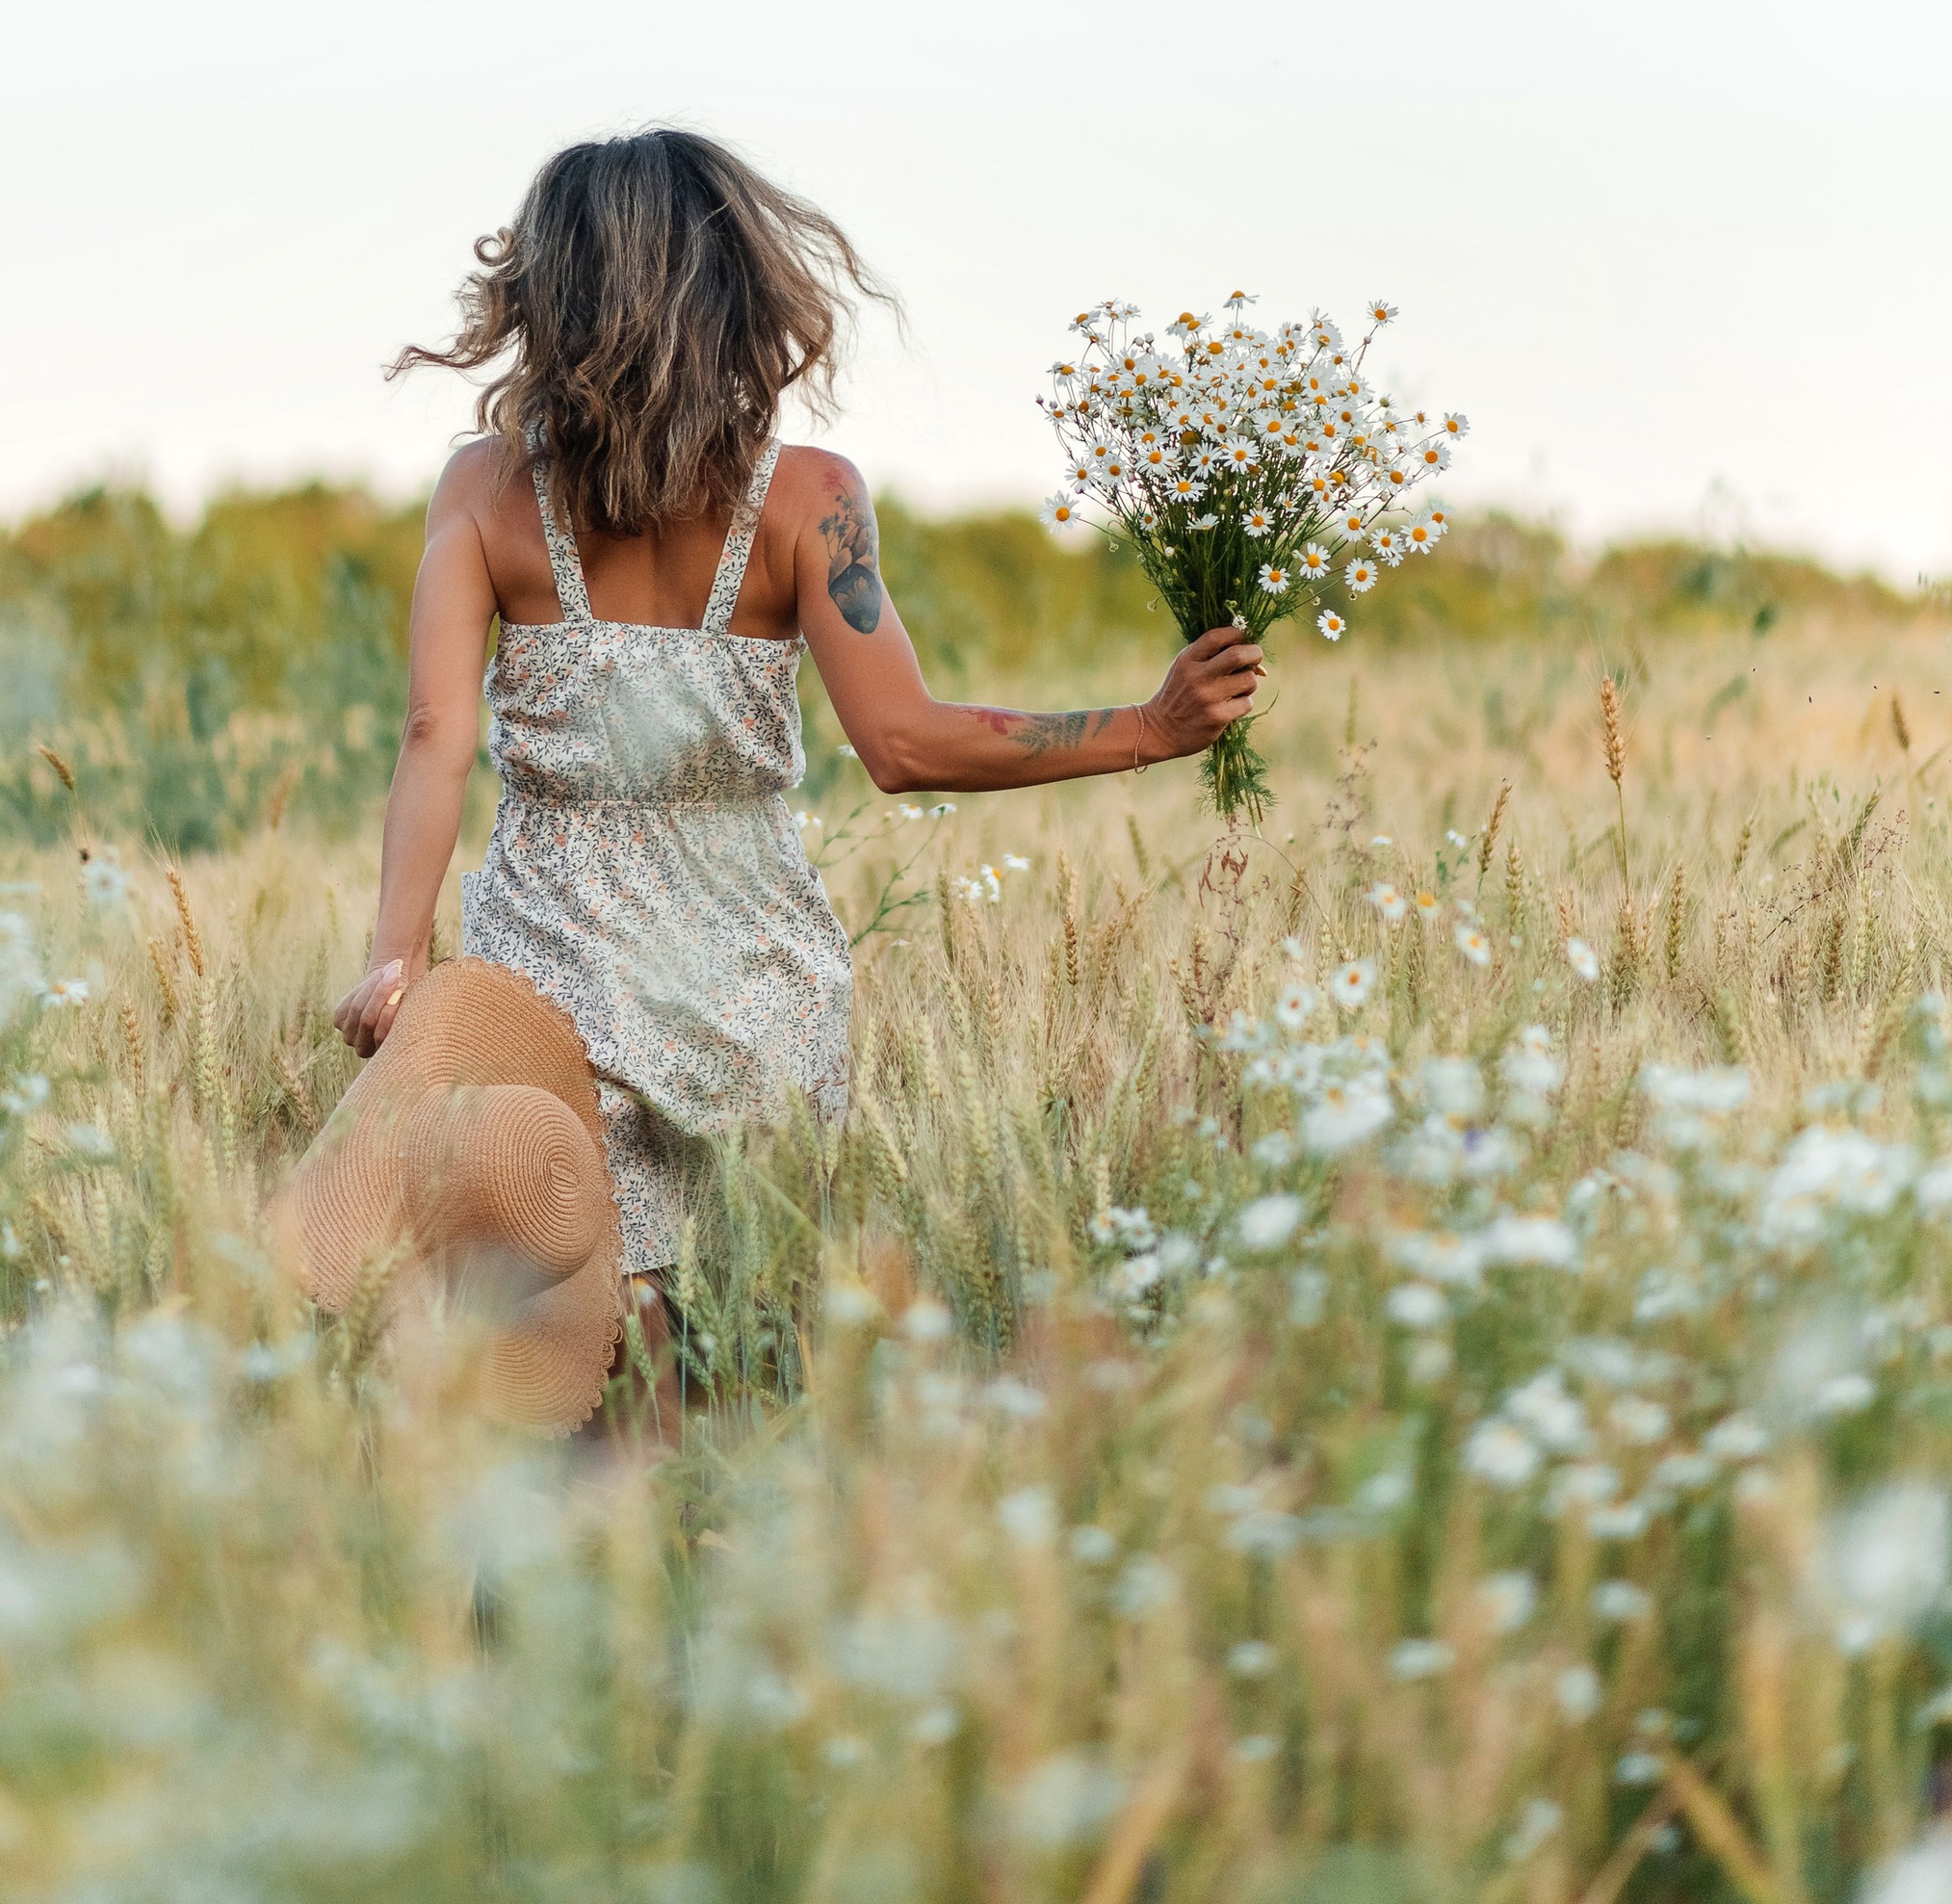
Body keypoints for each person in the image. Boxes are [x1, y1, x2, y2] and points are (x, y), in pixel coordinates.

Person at [331, 127, 1263, 1301]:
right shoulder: (809, 499)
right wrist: (1150, 725)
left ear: (550, 298)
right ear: (733, 293)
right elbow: (904, 742)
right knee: (742, 1323)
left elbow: (435, 740)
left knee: (562, 1321)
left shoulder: (480, 489)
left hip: (547, 970)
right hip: (749, 981)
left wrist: (396, 957)